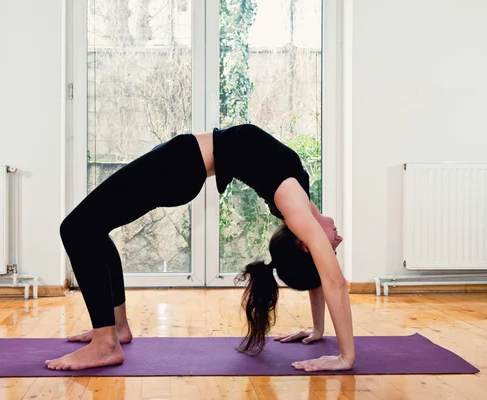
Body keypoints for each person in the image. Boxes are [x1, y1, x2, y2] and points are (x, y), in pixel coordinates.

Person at [45, 124, 354, 372]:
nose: (336, 241)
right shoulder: (302, 205)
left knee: (76, 228)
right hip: (182, 162)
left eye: (330, 250)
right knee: (93, 229)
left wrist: (345, 357)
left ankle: (105, 344)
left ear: (305, 244)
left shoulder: (296, 208)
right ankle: (117, 329)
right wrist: (317, 329)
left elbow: (333, 281)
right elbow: (320, 275)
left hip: (179, 165)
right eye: (331, 249)